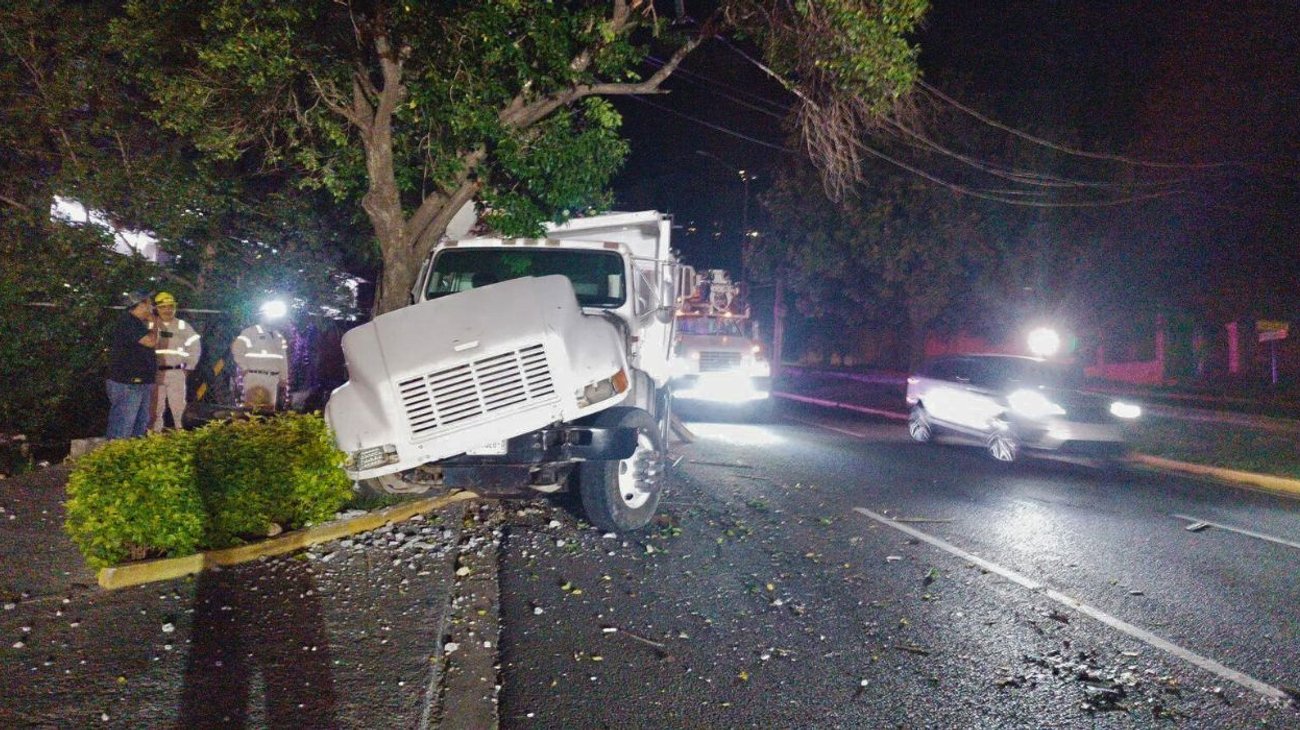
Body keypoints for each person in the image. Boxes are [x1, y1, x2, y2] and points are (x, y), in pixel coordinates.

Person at [106, 290, 161, 439]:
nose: (152, 307)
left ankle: (132, 459)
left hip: (140, 382)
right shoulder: (128, 322)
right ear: (141, 304)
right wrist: (155, 322)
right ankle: (115, 459)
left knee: (139, 427)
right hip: (128, 383)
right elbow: (151, 342)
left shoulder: (137, 323)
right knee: (123, 428)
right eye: (149, 302)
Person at [150, 291, 202, 431]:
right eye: (164, 307)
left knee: (179, 407)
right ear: (157, 309)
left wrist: (190, 367)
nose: (168, 310)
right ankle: (154, 436)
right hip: (155, 373)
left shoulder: (183, 326)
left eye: (170, 306)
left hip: (177, 372)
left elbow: (195, 346)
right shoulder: (151, 325)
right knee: (156, 407)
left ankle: (181, 434)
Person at [231, 304, 289, 412]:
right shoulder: (250, 332)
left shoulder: (279, 337)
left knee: (269, 411)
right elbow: (237, 350)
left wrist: (283, 378)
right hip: (255, 377)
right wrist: (244, 367)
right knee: (252, 410)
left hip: (273, 379)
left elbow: (283, 359)